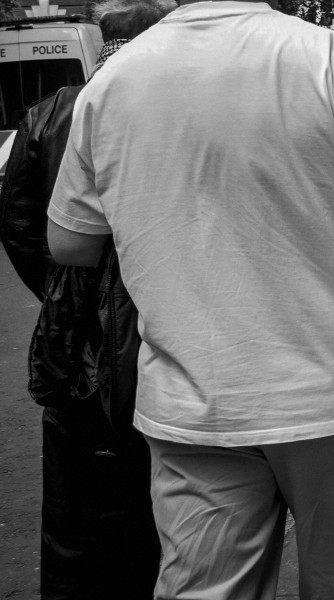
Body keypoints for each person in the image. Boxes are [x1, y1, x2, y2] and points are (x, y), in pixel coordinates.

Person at [45, 0, 334, 597]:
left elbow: (68, 241)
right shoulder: (332, 59)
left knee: (208, 587)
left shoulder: (116, 80)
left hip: (196, 400)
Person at [0, 0, 175, 596]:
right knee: (156, 481)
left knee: (73, 499)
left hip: (71, 327)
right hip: (152, 313)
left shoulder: (50, 111)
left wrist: (57, 285)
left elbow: (18, 221)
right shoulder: (161, 103)